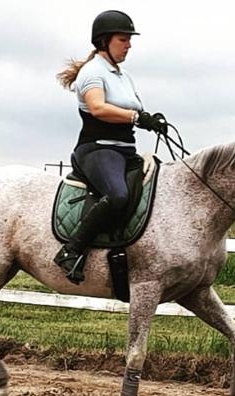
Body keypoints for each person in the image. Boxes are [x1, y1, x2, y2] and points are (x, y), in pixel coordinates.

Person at [55, 10, 167, 284]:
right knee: (117, 195)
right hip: (98, 149)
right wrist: (134, 117)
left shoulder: (123, 76)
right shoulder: (92, 72)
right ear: (104, 40)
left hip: (125, 150)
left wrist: (148, 120)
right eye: (123, 39)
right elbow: (98, 107)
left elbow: (132, 109)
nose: (128, 45)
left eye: (129, 40)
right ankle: (72, 250)